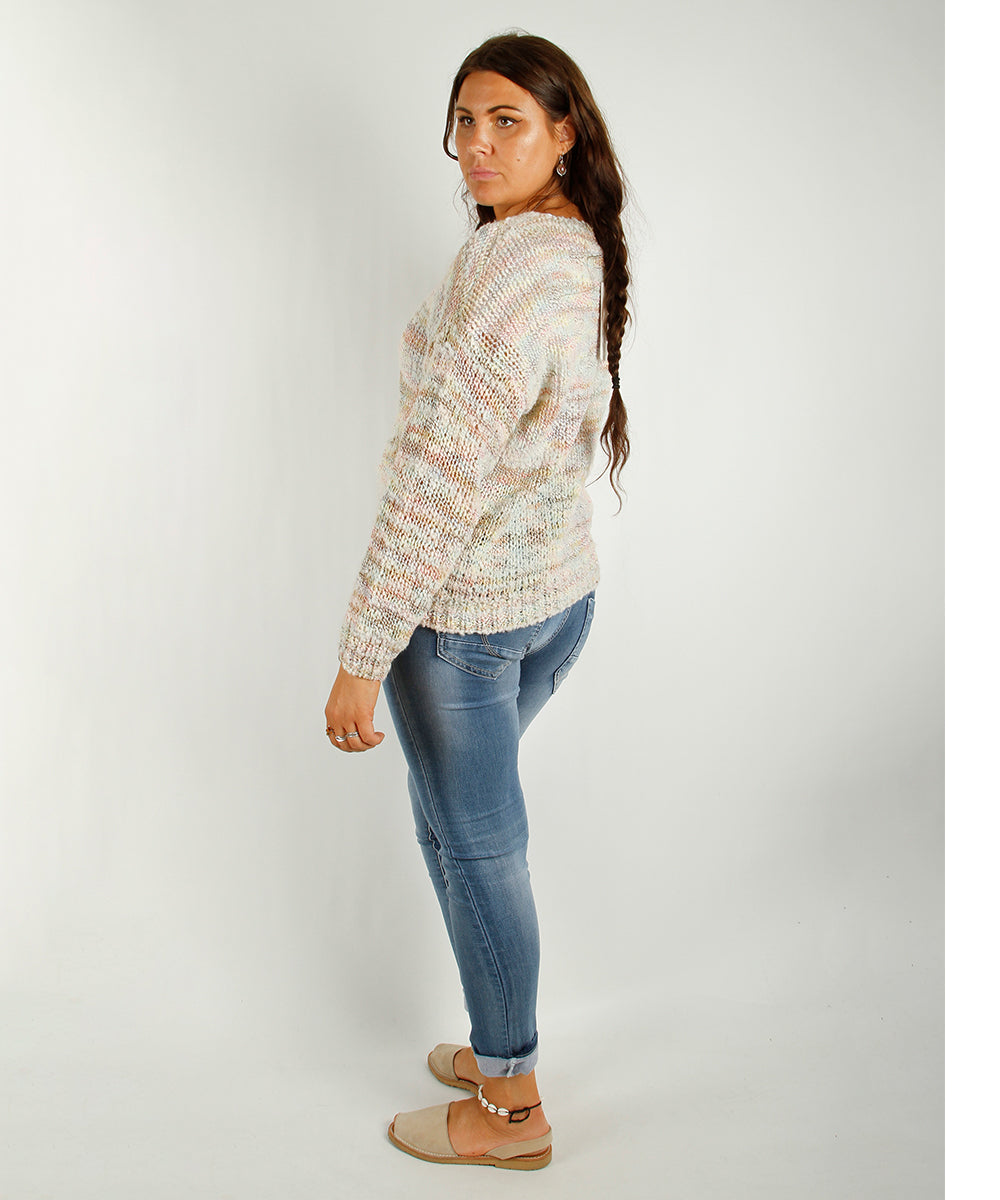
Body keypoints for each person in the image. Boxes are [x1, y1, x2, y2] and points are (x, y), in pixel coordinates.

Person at [324, 31, 630, 1171]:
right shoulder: (571, 243)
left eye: (508, 119)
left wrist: (363, 655)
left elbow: (436, 483)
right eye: (464, 120)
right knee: (458, 831)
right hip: (557, 603)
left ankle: (511, 1106)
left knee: (477, 848)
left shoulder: (507, 267)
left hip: (465, 627)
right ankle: (501, 1039)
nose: (478, 143)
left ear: (563, 132)